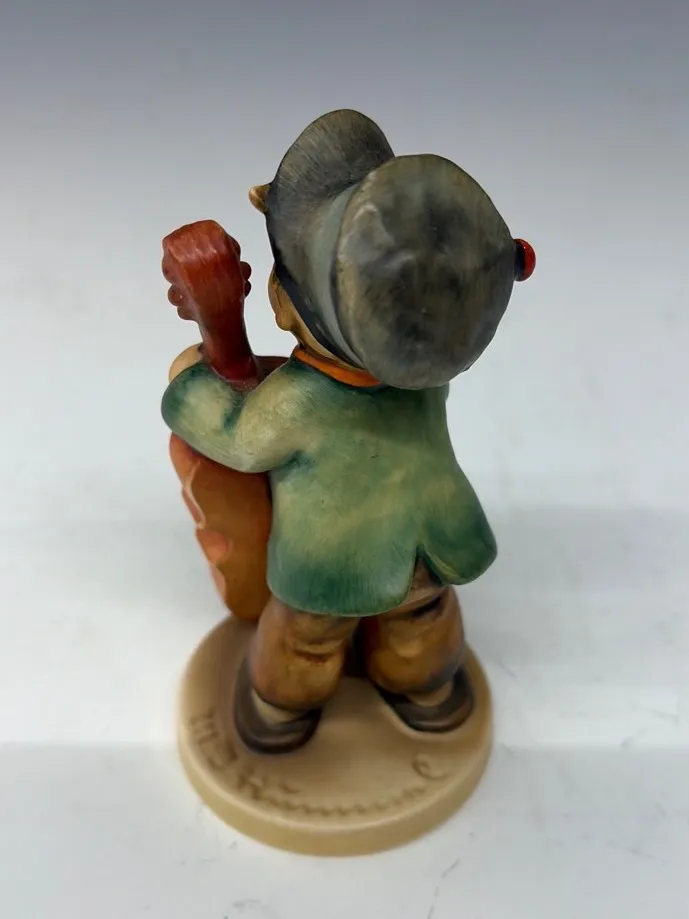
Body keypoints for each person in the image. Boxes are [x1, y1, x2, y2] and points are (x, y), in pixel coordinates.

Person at [161, 109, 535, 754]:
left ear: (286, 305)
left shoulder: (301, 403)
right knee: (424, 617)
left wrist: (196, 372)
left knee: (306, 638)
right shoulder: (425, 377)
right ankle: (428, 693)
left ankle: (279, 710)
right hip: (437, 541)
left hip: (337, 563)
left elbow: (236, 439)